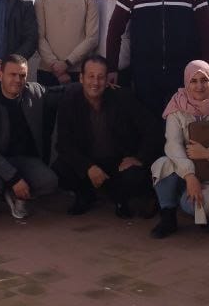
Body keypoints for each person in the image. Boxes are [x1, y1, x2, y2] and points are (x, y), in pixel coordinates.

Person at [105, 0, 209, 117]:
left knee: (182, 125)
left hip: (184, 76)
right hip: (144, 75)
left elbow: (208, 35)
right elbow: (114, 30)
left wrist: (207, 72)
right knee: (148, 125)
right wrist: (112, 67)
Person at [150, 60, 209, 238]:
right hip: (185, 171)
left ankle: (197, 206)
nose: (199, 86)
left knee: (194, 206)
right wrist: (189, 175)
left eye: (204, 80)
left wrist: (208, 153)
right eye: (193, 81)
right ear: (186, 83)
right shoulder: (176, 107)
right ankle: (168, 215)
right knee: (161, 165)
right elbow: (173, 145)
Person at [54, 55, 158, 218]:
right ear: (81, 78)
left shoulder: (123, 97)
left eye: (100, 77)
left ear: (107, 80)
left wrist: (139, 158)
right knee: (61, 168)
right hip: (88, 161)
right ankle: (85, 195)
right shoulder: (69, 101)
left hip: (118, 162)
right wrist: (87, 167)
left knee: (135, 175)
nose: (95, 82)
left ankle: (121, 199)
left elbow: (152, 128)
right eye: (91, 76)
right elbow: (63, 143)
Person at [0, 54, 58, 220]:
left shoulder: (34, 92)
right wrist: (14, 178)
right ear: (0, 75)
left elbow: (60, 93)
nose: (18, 80)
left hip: (26, 160)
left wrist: (90, 84)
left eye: (22, 75)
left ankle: (16, 194)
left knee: (49, 182)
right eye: (12, 74)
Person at [35, 0, 98, 87]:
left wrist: (67, 63)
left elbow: (92, 37)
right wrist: (55, 65)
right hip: (47, 71)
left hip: (79, 72)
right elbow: (39, 36)